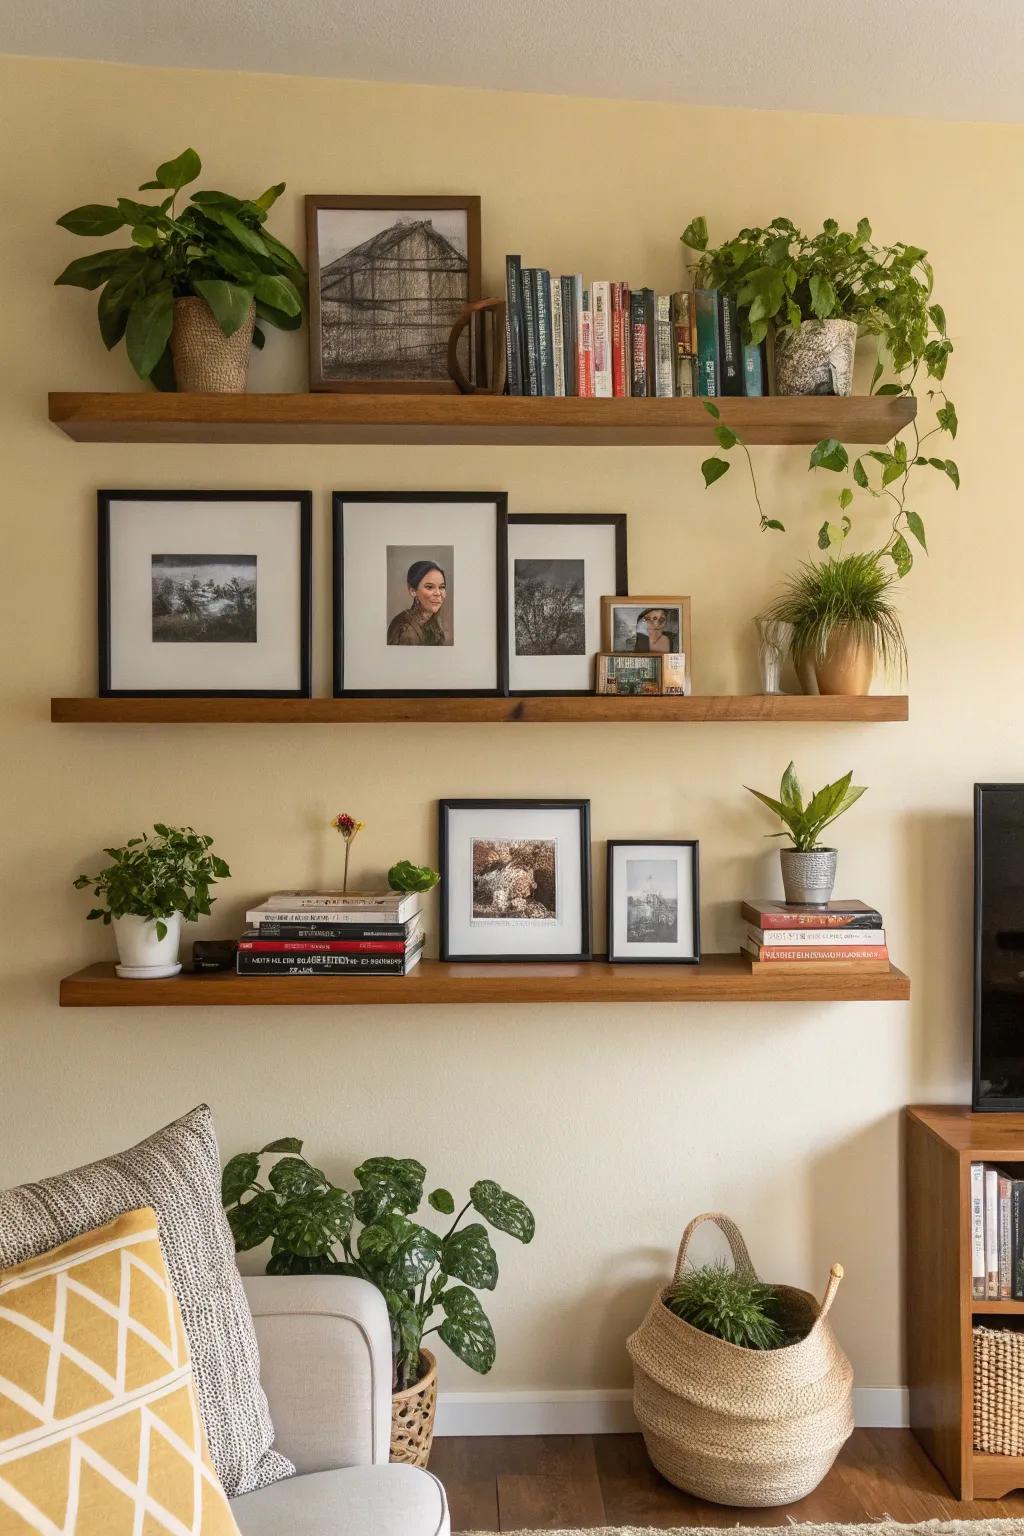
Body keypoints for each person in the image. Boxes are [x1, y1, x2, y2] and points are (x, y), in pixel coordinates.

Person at [387, 559, 449, 645]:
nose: (438, 593)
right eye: (429, 587)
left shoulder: (433, 624)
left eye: (442, 587)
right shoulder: (406, 630)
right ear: (413, 591)